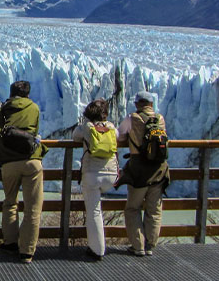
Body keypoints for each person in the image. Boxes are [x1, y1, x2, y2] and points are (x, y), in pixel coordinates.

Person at [0, 80, 47, 264]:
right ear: (27, 93)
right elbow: (34, 132)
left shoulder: (2, 108)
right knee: (33, 209)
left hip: (8, 163)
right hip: (32, 162)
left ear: (11, 93)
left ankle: (10, 243)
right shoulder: (34, 108)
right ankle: (27, 252)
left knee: (10, 203)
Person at [116, 91, 170, 257]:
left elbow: (119, 136)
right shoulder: (160, 119)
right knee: (154, 209)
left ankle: (138, 245)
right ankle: (150, 245)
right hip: (160, 170)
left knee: (133, 208)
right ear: (151, 104)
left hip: (139, 170)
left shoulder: (132, 118)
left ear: (138, 103)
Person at [72, 99, 118, 261]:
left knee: (94, 212)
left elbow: (74, 136)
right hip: (111, 176)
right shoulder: (111, 127)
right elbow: (118, 137)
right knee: (99, 209)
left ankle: (97, 250)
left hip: (92, 175)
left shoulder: (86, 127)